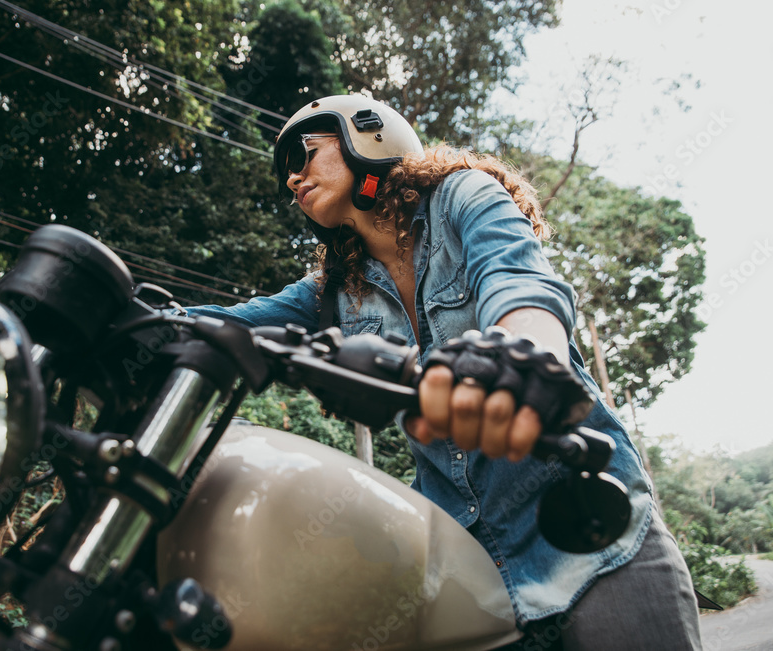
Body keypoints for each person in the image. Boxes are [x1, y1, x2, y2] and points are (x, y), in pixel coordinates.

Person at [188, 94, 701, 649]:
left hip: (587, 532)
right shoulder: (336, 290)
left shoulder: (463, 196)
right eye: (286, 172)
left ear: (366, 134)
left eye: (302, 153)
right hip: (462, 575)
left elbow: (521, 285)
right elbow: (223, 326)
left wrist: (521, 366)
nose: (293, 178)